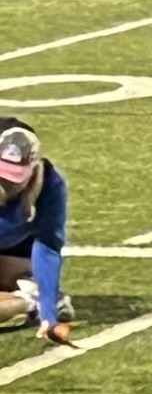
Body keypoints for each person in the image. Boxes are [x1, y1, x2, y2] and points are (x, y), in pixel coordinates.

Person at [0, 123, 72, 343]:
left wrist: (48, 315)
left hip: (16, 247)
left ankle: (32, 300)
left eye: (14, 178)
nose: (7, 184)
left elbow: (48, 247)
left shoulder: (50, 186)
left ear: (32, 168)